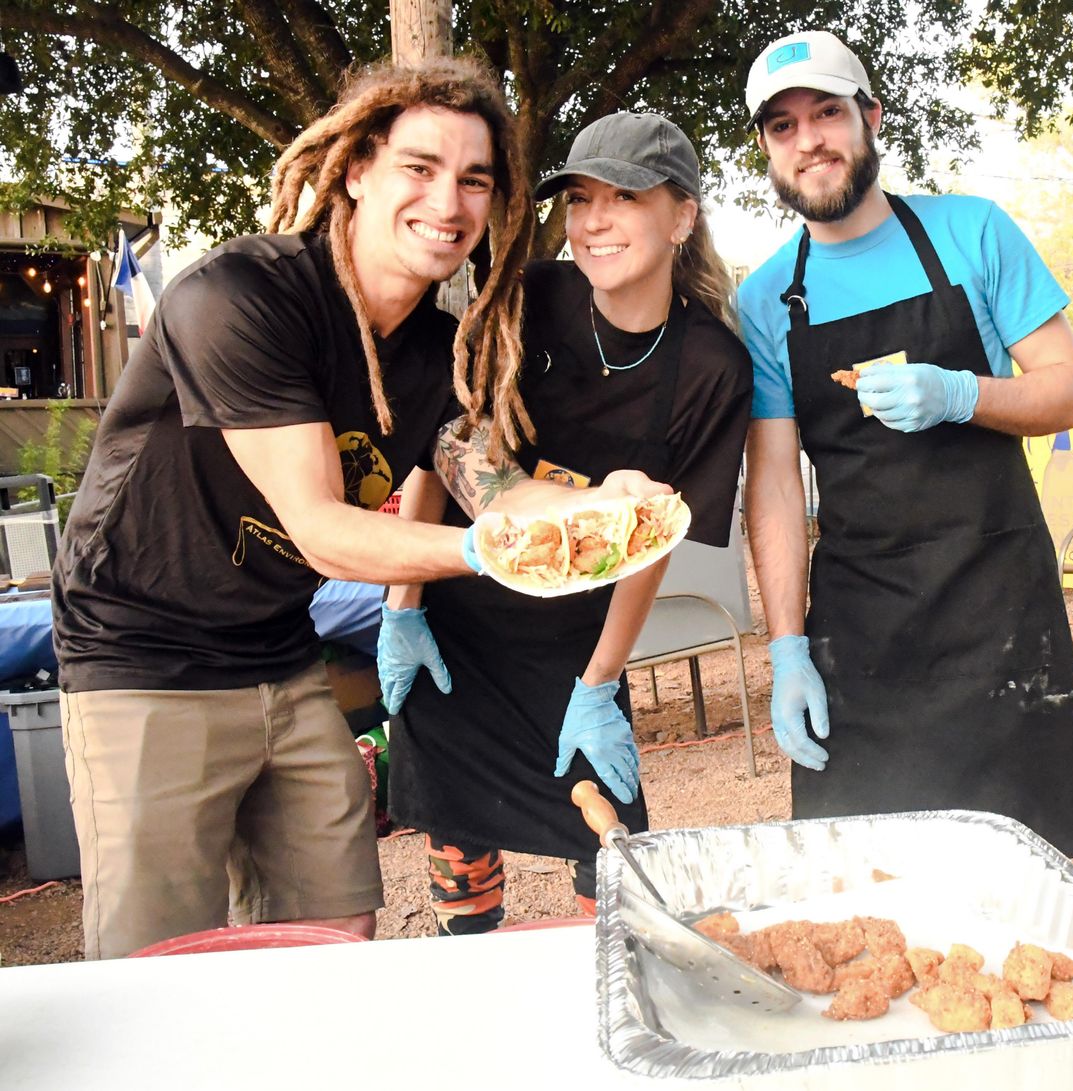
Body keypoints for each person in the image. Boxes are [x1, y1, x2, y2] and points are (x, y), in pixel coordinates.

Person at [52, 58, 666, 961]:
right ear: (355, 171)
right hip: (140, 654)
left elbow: (489, 481)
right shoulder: (240, 300)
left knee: (337, 933)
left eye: (473, 179)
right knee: (158, 966)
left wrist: (601, 499)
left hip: (276, 650)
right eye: (419, 168)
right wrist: (496, 553)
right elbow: (323, 529)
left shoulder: (432, 352)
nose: (448, 201)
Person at [379, 112, 753, 933]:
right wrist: (402, 608)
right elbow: (443, 442)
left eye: (623, 197)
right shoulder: (529, 298)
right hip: (456, 631)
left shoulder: (710, 367)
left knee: (613, 880)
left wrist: (601, 681)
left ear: (682, 215)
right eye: (581, 199)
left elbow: (650, 543)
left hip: (579, 646)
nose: (593, 221)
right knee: (460, 869)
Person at [737, 30, 1073, 858]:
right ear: (766, 148)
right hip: (862, 631)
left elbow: (1071, 391)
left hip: (999, 611)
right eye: (783, 126)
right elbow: (776, 489)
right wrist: (787, 647)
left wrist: (960, 392)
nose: (810, 141)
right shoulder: (766, 300)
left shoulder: (971, 233)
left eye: (827, 113)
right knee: (872, 887)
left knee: (1027, 881)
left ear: (870, 118)